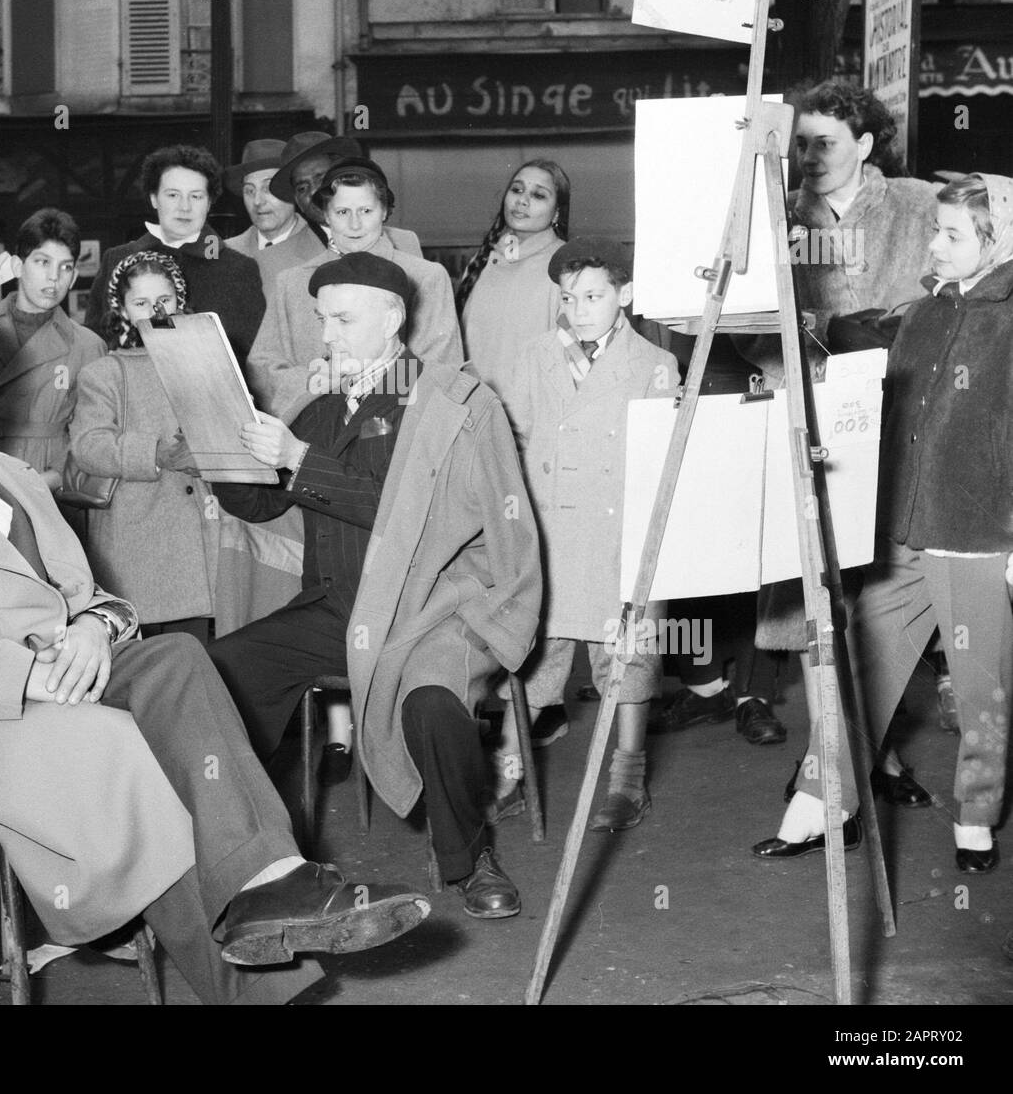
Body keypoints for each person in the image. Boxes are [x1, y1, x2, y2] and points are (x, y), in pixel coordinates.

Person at [0, 288, 430, 1004]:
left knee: (179, 661)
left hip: (53, 675)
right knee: (119, 745)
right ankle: (266, 986)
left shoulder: (10, 473)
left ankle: (267, 882)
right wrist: (27, 673)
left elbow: (92, 594)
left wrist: (93, 629)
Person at [208, 253, 542, 919]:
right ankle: (249, 858)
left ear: (392, 316)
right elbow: (262, 505)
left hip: (431, 608)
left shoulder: (453, 401)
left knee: (429, 701)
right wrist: (219, 448)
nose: (326, 335)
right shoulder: (322, 406)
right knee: (215, 676)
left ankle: (470, 856)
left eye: (342, 318)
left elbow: (416, 513)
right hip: (340, 607)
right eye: (320, 319)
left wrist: (300, 463)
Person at [660, 80, 939, 756]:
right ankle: (831, 759)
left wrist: (899, 337)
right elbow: (739, 324)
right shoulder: (774, 215)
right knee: (819, 587)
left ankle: (883, 754)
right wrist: (809, 346)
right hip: (813, 416)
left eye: (826, 142)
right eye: (801, 143)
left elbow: (954, 285)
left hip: (905, 415)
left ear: (867, 143)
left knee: (887, 593)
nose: (809, 155)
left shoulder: (919, 204)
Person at [754, 173, 1013, 875]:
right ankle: (819, 803)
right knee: (861, 666)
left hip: (980, 534)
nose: (934, 243)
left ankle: (976, 818)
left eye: (953, 233)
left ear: (1000, 241)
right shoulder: (925, 314)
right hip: (903, 529)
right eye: (937, 228)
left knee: (983, 686)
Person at [494, 240, 680, 830]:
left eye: (594, 296)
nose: (578, 310)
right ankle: (509, 769)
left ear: (624, 295)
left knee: (626, 653)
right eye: (569, 298)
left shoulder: (655, 364)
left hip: (618, 531)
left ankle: (628, 778)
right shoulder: (533, 355)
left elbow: (658, 459)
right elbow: (515, 440)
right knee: (527, 653)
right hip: (547, 528)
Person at [69, 251, 215, 642]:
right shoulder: (105, 372)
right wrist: (157, 453)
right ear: (122, 309)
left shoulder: (208, 361)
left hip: (201, 538)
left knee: (201, 654)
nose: (155, 310)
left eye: (164, 300)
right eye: (141, 303)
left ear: (180, 301)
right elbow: (88, 445)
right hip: (136, 542)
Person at [247, 158, 463, 421]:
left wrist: (358, 387)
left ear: (384, 212)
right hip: (311, 430)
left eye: (366, 211)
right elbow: (263, 368)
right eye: (342, 212)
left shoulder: (425, 277)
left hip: (392, 430)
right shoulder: (291, 283)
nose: (355, 225)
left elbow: (439, 369)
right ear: (325, 215)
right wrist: (320, 381)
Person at [83, 144, 265, 365]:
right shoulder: (117, 260)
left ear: (209, 203)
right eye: (172, 195)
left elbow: (253, 358)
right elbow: (95, 347)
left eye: (196, 196)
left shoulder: (238, 269)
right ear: (153, 198)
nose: (184, 207)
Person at [0, 208, 106, 489]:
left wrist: (51, 479)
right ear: (18, 267)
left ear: (73, 279)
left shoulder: (88, 346)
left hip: (53, 485)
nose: (54, 278)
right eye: (42, 262)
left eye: (65, 267)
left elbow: (92, 434)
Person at [456, 159, 571, 397]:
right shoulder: (481, 261)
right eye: (517, 190)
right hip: (473, 418)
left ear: (557, 212)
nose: (522, 200)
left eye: (539, 195)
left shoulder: (567, 267)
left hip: (534, 423)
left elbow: (577, 360)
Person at [267, 132, 423, 256]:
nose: (314, 192)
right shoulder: (274, 259)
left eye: (322, 179)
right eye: (302, 188)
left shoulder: (404, 243)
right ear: (297, 202)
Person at [224, 139, 329, 294]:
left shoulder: (323, 251)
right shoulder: (225, 253)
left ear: (292, 191)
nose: (258, 201)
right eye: (249, 191)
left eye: (268, 188)